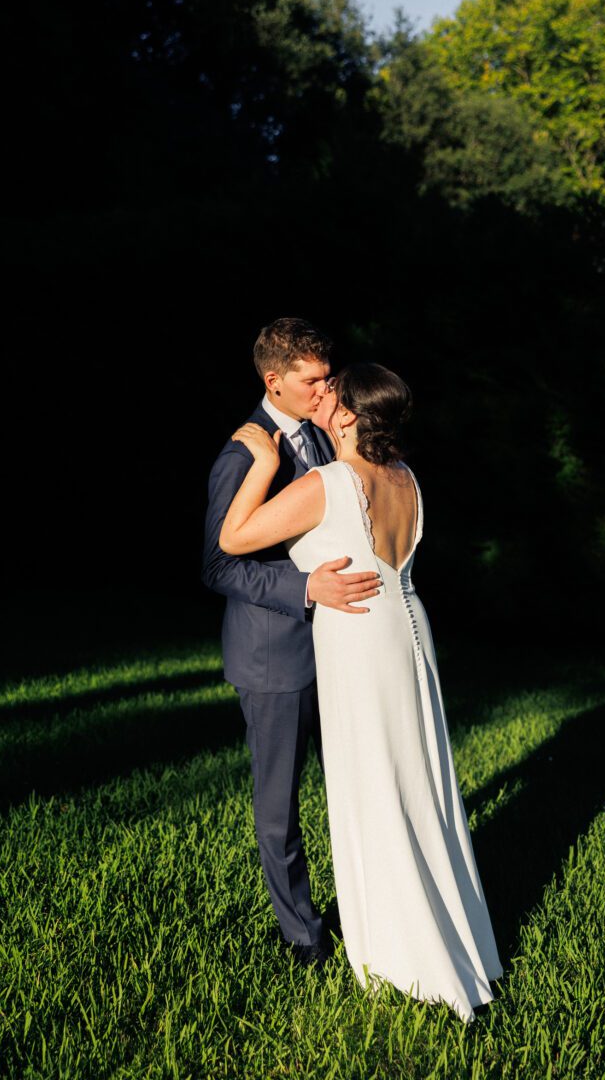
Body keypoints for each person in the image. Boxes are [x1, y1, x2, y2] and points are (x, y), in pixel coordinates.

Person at [219, 362, 503, 1021]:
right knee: (419, 783)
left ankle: (404, 959)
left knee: (373, 787)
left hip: (356, 638)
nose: (322, 397)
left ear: (347, 415)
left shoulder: (330, 481)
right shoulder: (405, 477)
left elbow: (233, 539)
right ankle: (453, 937)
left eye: (332, 392)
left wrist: (261, 465)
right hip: (407, 629)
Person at [202, 319, 381, 969]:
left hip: (345, 643)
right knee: (280, 809)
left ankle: (367, 904)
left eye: (329, 375)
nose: (326, 388)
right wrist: (306, 587)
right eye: (312, 380)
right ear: (273, 380)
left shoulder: (332, 431)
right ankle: (303, 934)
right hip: (273, 657)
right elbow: (219, 567)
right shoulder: (243, 457)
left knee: (358, 783)